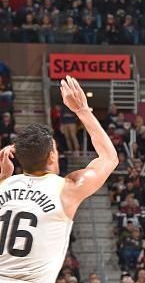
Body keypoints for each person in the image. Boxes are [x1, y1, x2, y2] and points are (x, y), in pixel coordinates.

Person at [0, 75, 119, 282]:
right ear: (52, 155)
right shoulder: (67, 188)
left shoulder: (3, 186)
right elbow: (109, 157)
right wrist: (82, 110)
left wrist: (3, 177)